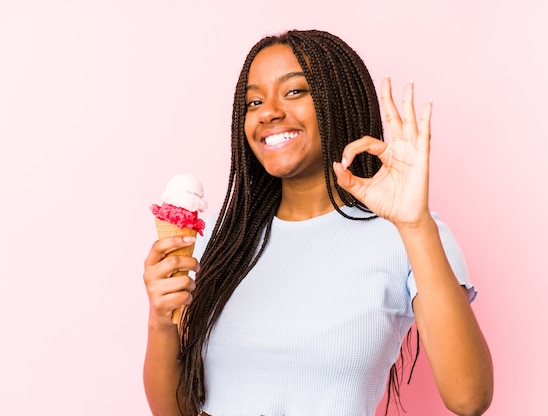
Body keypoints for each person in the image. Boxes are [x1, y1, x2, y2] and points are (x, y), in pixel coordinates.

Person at [143, 29, 493, 416]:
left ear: (337, 101)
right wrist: (160, 320)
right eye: (253, 101)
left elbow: (469, 398)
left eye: (294, 92)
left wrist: (415, 226)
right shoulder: (219, 239)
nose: (268, 112)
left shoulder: (407, 233)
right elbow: (175, 410)